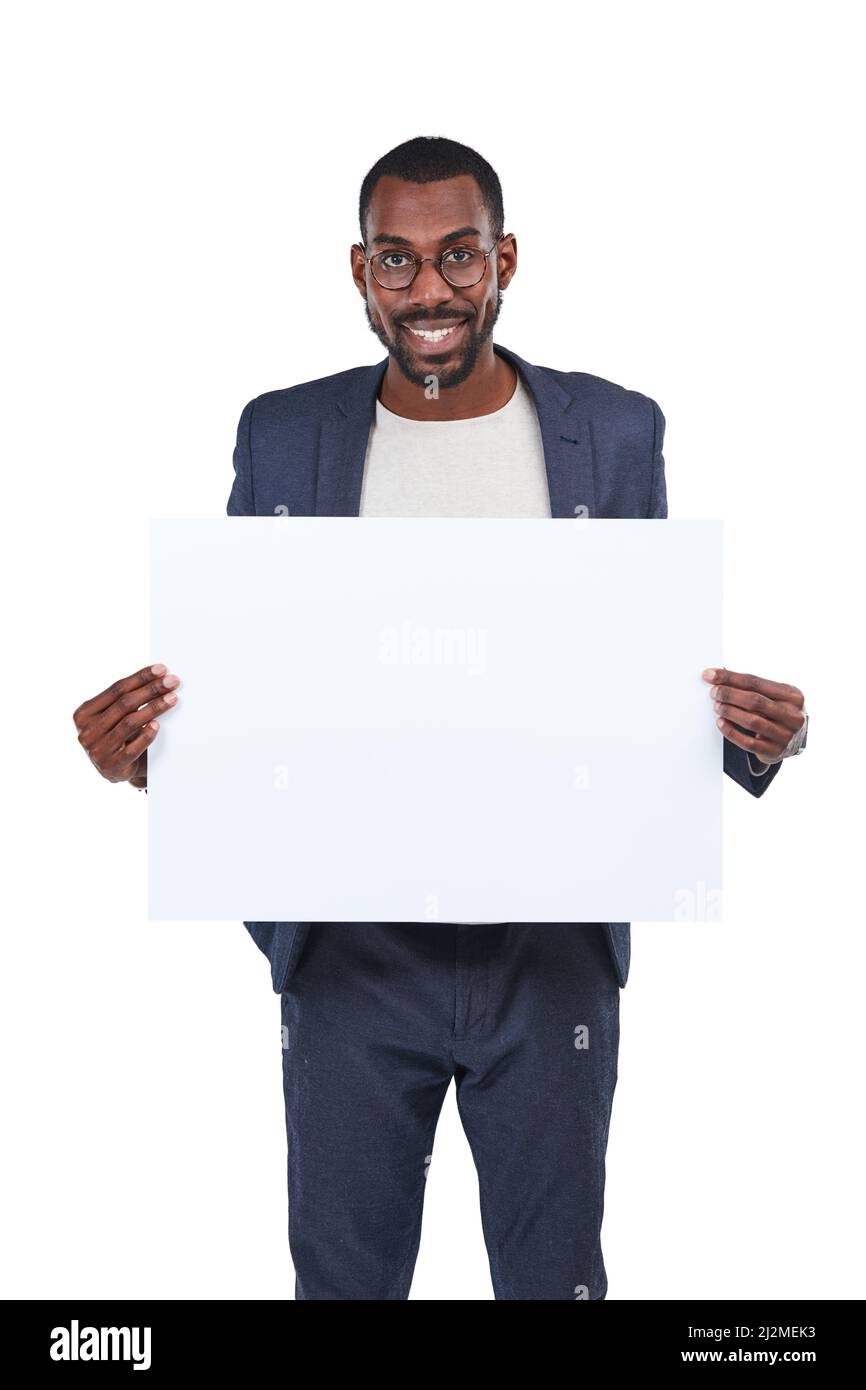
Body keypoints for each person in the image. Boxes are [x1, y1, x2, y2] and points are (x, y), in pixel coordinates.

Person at [73, 136, 808, 1300]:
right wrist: (145, 757)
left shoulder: (613, 435)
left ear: (504, 258)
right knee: (344, 1285)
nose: (428, 292)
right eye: (396, 261)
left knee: (554, 1279)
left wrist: (760, 734)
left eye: (457, 256)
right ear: (358, 272)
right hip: (350, 952)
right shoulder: (282, 435)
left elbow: (638, 677)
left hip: (549, 945)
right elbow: (247, 697)